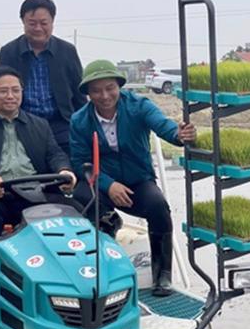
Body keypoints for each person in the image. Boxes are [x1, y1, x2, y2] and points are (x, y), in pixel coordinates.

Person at [70, 60, 197, 296]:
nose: (105, 95)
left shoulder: (139, 106)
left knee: (159, 207)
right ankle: (104, 265)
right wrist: (109, 185)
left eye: (110, 88)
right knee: (81, 197)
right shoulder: (79, 121)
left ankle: (163, 275)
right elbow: (81, 163)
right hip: (104, 183)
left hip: (138, 182)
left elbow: (163, 126)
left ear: (119, 86)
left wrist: (179, 135)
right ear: (87, 93)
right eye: (96, 90)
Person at [0, 65, 77, 287]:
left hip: (36, 193)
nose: (10, 96)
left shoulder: (39, 124)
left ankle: (67, 279)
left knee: (73, 210)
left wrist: (64, 171)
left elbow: (55, 154)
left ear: (22, 93)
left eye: (16, 90)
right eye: (3, 91)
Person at [0, 0, 86, 156]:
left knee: (69, 171)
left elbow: (79, 95)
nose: (38, 28)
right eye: (32, 23)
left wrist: (83, 127)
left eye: (43, 23)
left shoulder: (67, 51)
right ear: (23, 22)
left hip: (61, 123)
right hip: (22, 122)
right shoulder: (9, 52)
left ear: (52, 22)